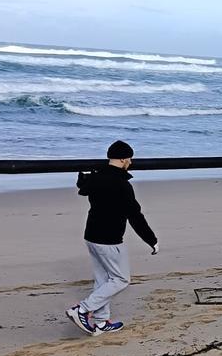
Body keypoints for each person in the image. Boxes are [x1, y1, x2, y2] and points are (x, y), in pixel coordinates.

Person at [66, 140, 159, 336]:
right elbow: (135, 215)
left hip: (91, 235)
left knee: (102, 280)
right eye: (130, 159)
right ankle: (81, 309)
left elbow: (83, 186)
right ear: (124, 159)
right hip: (109, 239)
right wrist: (151, 240)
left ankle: (101, 322)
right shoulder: (122, 185)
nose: (131, 162)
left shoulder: (96, 178)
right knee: (120, 279)